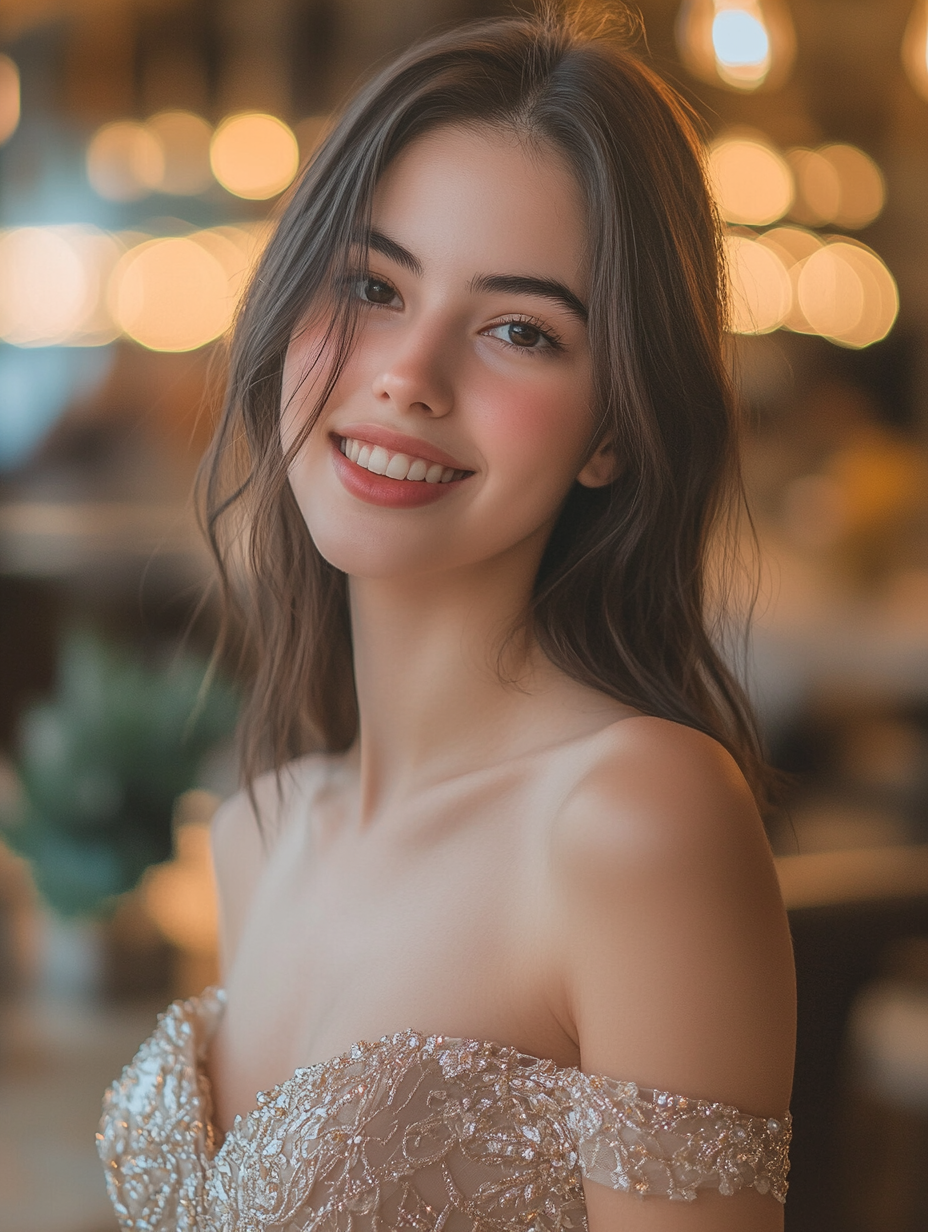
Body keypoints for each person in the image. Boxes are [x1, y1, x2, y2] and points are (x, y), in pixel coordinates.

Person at [98, 8, 796, 1230]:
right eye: (371, 285)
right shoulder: (263, 826)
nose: (409, 373)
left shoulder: (636, 817)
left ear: (616, 428)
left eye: (519, 330)